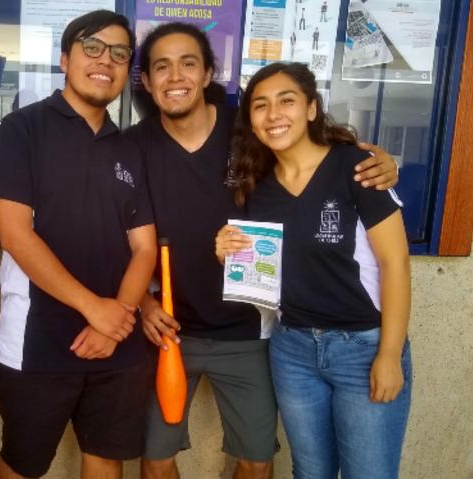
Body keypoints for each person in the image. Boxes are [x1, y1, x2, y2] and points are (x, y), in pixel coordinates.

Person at [127, 23, 398, 479]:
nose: (175, 76)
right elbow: (113, 234)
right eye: (161, 66)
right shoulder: (132, 146)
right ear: (148, 82)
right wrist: (143, 303)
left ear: (208, 73)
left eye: (188, 63)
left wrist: (378, 164)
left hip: (251, 330)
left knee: (256, 460)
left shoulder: (248, 127)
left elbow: (313, 154)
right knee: (155, 458)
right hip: (168, 330)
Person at [0, 10, 156, 479]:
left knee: (105, 458)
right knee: (23, 463)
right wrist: (95, 310)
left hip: (119, 341)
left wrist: (116, 320)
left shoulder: (129, 148)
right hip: (37, 341)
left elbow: (145, 249)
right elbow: (15, 235)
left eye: (119, 54)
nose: (105, 60)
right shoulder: (23, 129)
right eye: (92, 47)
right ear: (65, 59)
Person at [217, 62, 411, 479]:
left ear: (311, 108)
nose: (273, 114)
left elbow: (395, 264)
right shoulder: (257, 186)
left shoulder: (356, 168)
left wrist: (389, 354)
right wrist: (228, 253)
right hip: (293, 349)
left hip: (362, 347)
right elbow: (263, 268)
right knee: (310, 472)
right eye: (260, 105)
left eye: (286, 101)